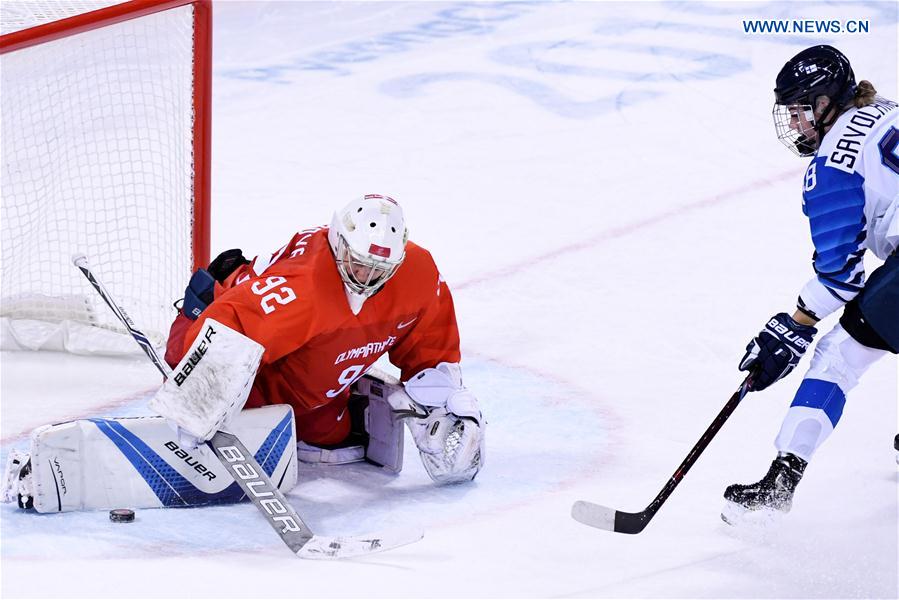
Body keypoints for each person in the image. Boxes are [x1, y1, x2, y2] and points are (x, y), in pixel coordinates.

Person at [164, 192, 485, 484]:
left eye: (378, 269)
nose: (365, 278)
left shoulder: (418, 273)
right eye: (358, 264)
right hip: (220, 332)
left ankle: (332, 403)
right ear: (338, 241)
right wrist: (198, 397)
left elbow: (431, 345)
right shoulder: (303, 287)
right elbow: (228, 323)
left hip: (310, 375)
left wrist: (439, 398)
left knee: (335, 439)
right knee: (231, 405)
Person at [722, 46, 898, 524]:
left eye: (801, 110)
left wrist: (793, 325)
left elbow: (841, 277)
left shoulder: (832, 167)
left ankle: (780, 484)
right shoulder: (885, 110)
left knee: (841, 354)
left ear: (825, 104)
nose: (796, 124)